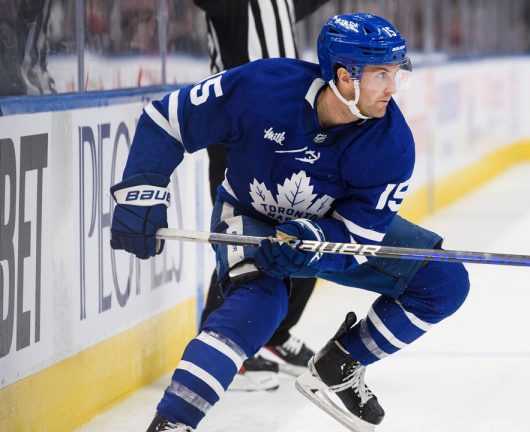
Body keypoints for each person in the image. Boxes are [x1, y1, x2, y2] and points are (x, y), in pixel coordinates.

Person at [109, 13, 470, 432]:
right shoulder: (262, 86)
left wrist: (312, 241)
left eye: (397, 73)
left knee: (443, 281)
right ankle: (173, 422)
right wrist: (142, 192)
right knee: (258, 308)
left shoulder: (391, 144)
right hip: (249, 214)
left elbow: (356, 237)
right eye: (381, 74)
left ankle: (341, 362)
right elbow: (167, 121)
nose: (393, 88)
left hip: (328, 227)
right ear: (344, 76)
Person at [191, 0, 331, 390]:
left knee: (313, 227)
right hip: (239, 128)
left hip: (291, 127)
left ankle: (271, 331)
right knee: (243, 236)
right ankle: (224, 346)